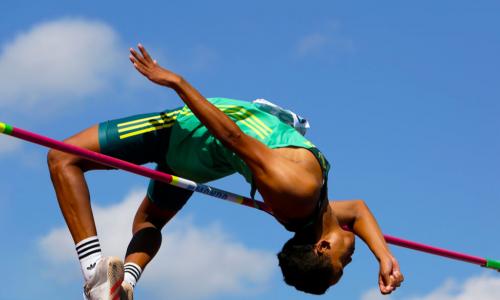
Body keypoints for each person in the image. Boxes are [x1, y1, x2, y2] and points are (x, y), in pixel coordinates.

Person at [47, 44, 404, 300]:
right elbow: (357, 210)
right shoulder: (314, 212)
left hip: (187, 131)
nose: (352, 254)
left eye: (346, 260)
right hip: (200, 162)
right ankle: (125, 284)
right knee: (148, 223)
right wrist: (385, 256)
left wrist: (177, 82)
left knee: (63, 158)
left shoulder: (297, 190)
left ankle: (94, 272)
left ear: (323, 247)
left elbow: (234, 136)